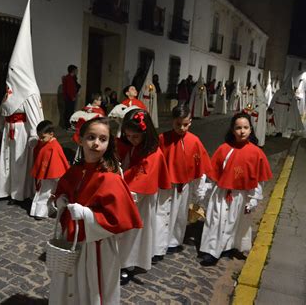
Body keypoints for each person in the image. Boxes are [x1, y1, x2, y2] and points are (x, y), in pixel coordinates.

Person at [49, 117, 143, 305]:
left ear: (109, 144)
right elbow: (61, 192)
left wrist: (86, 214)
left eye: (103, 139)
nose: (96, 144)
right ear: (81, 139)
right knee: (68, 284)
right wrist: (60, 201)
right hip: (72, 239)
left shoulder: (111, 178)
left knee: (92, 287)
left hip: (96, 246)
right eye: (91, 137)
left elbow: (119, 219)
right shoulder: (74, 170)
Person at [199, 113, 272, 266]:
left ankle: (228, 247)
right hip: (222, 193)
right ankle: (212, 251)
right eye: (238, 128)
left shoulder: (256, 153)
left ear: (251, 129)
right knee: (217, 220)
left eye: (245, 127)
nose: (242, 131)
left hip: (242, 194)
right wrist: (205, 189)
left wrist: (254, 198)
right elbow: (214, 172)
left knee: (235, 222)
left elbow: (259, 180)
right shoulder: (224, 149)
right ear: (233, 130)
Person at [0, 0, 45, 205]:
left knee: (19, 163)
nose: (11, 73)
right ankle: (5, 189)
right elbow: (2, 110)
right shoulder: (10, 88)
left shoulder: (30, 91)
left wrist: (35, 138)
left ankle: (19, 193)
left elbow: (36, 117)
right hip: (9, 131)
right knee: (6, 161)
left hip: (23, 133)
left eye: (15, 70)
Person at [116, 109, 171, 283]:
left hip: (139, 200)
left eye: (135, 137)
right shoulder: (134, 146)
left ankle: (126, 264)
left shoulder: (154, 154)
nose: (131, 140)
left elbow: (143, 180)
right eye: (128, 136)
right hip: (126, 195)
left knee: (132, 234)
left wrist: (126, 194)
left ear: (145, 134)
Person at [154, 105, 212, 262]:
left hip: (184, 185)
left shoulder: (194, 141)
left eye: (185, 124)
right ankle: (157, 245)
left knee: (180, 214)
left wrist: (199, 190)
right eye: (177, 124)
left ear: (190, 122)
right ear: (172, 122)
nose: (181, 128)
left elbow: (201, 168)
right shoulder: (162, 139)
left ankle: (174, 241)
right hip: (165, 185)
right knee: (162, 213)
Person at [30, 120, 70, 219]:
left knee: (49, 193)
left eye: (43, 137)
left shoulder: (54, 146)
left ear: (51, 134)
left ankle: (47, 211)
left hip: (53, 174)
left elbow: (58, 161)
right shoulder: (44, 143)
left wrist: (57, 175)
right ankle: (40, 212)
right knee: (44, 192)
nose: (41, 139)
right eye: (39, 137)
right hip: (45, 175)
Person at [62, 65, 80, 130]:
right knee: (68, 112)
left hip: (71, 98)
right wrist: (72, 97)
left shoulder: (73, 78)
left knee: (71, 112)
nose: (77, 72)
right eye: (76, 70)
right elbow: (69, 89)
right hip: (69, 98)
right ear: (73, 70)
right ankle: (67, 126)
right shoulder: (68, 78)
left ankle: (70, 125)